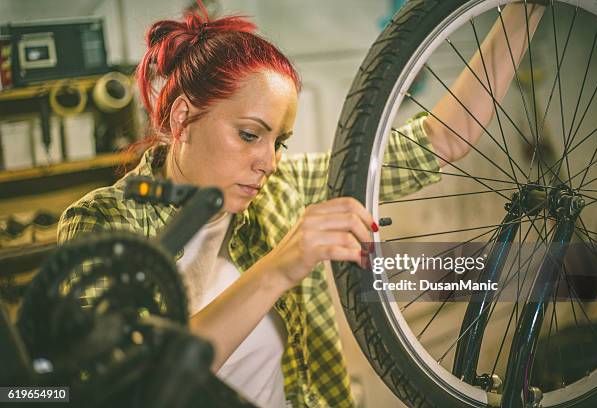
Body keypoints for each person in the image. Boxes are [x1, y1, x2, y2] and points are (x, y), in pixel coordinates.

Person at [57, 1, 544, 407]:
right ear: (184, 115)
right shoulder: (102, 223)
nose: (267, 163)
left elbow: (440, 139)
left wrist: (525, 11)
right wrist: (281, 266)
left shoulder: (281, 186)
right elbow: (133, 387)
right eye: (250, 135)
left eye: (279, 142)